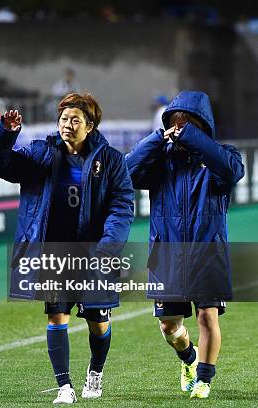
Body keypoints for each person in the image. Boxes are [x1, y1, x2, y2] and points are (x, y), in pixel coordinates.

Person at [0, 93, 134, 404]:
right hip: (54, 251)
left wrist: (108, 246)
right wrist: (5, 133)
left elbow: (122, 207)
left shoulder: (111, 160)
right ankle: (64, 386)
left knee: (98, 322)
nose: (67, 125)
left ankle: (95, 371)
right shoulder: (42, 152)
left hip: (95, 253)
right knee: (57, 317)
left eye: (75, 120)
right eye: (64, 119)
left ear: (90, 126)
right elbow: (3, 165)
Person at [126, 91, 244, 399]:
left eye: (185, 122)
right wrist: (156, 139)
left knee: (207, 316)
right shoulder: (160, 161)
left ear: (200, 125)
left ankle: (204, 379)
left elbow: (233, 172)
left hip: (208, 252)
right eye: (173, 121)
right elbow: (124, 174)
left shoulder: (221, 158)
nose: (177, 127)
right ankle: (189, 359)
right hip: (166, 255)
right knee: (169, 327)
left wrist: (192, 138)